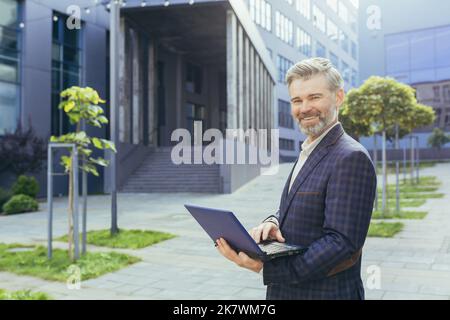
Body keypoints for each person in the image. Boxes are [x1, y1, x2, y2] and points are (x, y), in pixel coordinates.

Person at [216, 57, 377, 300]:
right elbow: (298, 204)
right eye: (297, 100)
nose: (304, 108)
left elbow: (341, 243)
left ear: (339, 97)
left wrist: (265, 267)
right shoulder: (310, 150)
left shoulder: (350, 157)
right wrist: (273, 221)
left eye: (314, 97)